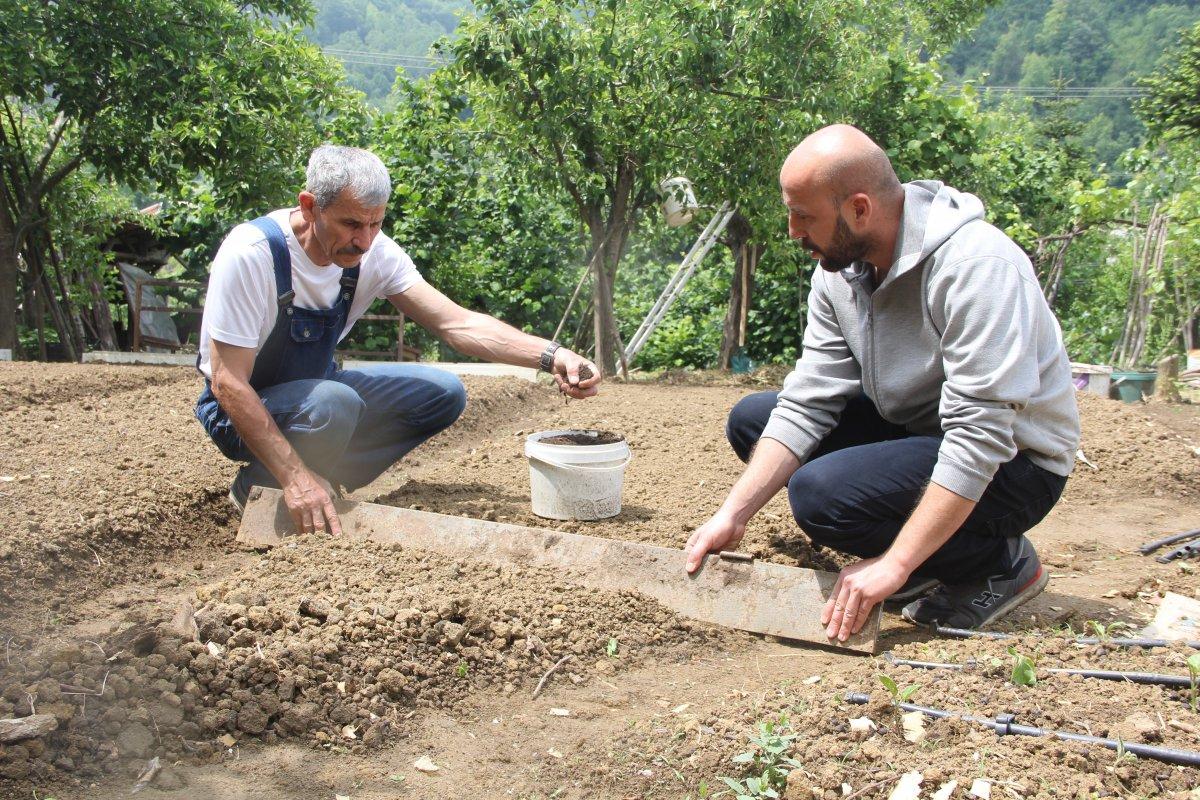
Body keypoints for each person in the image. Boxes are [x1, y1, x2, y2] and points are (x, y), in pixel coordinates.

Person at [684, 125, 1080, 641]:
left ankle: (995, 564)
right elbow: (808, 400)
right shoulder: (839, 273)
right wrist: (731, 515)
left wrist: (895, 563)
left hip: (1017, 463)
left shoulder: (976, 267)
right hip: (925, 429)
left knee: (820, 496)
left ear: (860, 209)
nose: (792, 230)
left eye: (804, 215)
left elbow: (979, 438)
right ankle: (930, 553)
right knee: (755, 420)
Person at [194, 145, 600, 536]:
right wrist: (294, 475)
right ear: (309, 206)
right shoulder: (252, 253)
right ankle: (263, 484)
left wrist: (552, 355)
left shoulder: (373, 254)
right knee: (334, 402)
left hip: (317, 398)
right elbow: (228, 382)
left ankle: (324, 476)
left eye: (376, 223)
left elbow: (457, 325)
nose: (365, 240)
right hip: (237, 409)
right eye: (352, 224)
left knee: (442, 393)